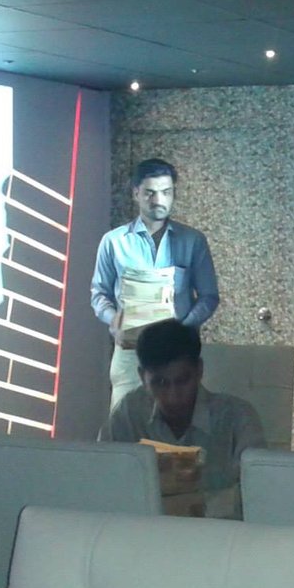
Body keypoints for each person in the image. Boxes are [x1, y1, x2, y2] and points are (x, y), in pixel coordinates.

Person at [100, 319, 264, 519]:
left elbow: (258, 492)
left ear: (199, 371)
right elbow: (103, 476)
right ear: (142, 377)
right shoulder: (129, 413)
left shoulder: (238, 418)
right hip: (144, 531)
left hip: (218, 534)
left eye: (182, 381)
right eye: (160, 383)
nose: (172, 396)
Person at [90, 157, 219, 409]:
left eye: (166, 192)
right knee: (123, 421)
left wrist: (181, 330)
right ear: (136, 193)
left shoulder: (193, 240)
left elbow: (209, 296)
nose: (159, 200)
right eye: (150, 193)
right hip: (131, 352)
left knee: (180, 421)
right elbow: (99, 294)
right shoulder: (113, 241)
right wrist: (114, 322)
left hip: (179, 352)